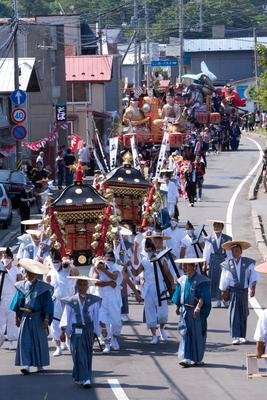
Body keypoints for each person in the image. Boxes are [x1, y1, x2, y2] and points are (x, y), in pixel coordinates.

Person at [10, 258, 53, 375]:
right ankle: (26, 365)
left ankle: (40, 365)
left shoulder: (44, 288)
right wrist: (17, 317)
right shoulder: (21, 286)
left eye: (31, 273)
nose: (29, 275)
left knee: (39, 340)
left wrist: (46, 319)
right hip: (25, 316)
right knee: (25, 340)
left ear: (36, 274)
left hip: (38, 317)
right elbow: (17, 303)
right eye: (27, 272)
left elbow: (48, 304)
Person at [60, 276, 101, 388]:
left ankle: (83, 376)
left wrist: (99, 331)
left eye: (84, 285)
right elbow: (66, 317)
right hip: (75, 331)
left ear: (87, 286)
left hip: (88, 331)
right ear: (76, 286)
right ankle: (85, 378)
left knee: (87, 354)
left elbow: (97, 317)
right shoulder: (71, 301)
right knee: (78, 354)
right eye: (80, 284)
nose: (82, 287)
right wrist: (63, 332)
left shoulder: (94, 300)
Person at [131, 238, 172, 344]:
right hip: (148, 289)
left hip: (160, 287)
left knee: (163, 312)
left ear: (154, 249)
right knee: (150, 312)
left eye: (150, 250)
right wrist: (128, 266)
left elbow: (167, 273)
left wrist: (173, 285)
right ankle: (154, 335)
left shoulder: (161, 259)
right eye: (147, 250)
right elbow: (136, 273)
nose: (149, 252)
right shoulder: (144, 261)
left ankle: (162, 329)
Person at [172, 258, 211, 367]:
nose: (186, 269)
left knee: (197, 335)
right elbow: (178, 295)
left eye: (188, 266)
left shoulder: (201, 281)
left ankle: (197, 358)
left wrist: (198, 308)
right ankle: (187, 357)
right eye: (184, 267)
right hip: (185, 311)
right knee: (185, 333)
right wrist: (177, 306)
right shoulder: (181, 280)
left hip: (196, 312)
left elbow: (203, 297)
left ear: (194, 267)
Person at [219, 241, 259, 345]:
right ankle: (235, 336)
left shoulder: (248, 262)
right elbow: (224, 280)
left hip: (244, 292)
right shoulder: (227, 264)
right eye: (233, 251)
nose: (235, 253)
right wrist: (223, 291)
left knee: (243, 313)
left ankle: (242, 336)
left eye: (237, 251)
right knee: (234, 314)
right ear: (231, 252)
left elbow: (253, 276)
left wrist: (252, 288)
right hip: (233, 292)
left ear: (241, 252)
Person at [46, 249, 76, 356]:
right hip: (56, 300)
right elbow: (48, 283)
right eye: (53, 262)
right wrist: (48, 278)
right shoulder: (51, 271)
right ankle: (58, 346)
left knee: (69, 323)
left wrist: (69, 264)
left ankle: (68, 342)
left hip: (68, 300)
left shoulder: (68, 269)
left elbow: (76, 273)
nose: (55, 264)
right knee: (55, 324)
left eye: (57, 261)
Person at [93, 251, 123, 353]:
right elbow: (96, 282)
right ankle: (107, 343)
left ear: (114, 260)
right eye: (107, 259)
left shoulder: (116, 268)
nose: (108, 261)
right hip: (101, 298)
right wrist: (108, 283)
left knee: (116, 322)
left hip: (113, 298)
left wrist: (105, 270)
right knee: (102, 321)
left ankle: (114, 338)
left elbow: (114, 277)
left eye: (111, 259)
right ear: (104, 258)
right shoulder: (97, 267)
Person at [202, 220, 232, 307]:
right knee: (214, 280)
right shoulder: (209, 238)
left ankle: (225, 299)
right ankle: (216, 300)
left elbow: (229, 253)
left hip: (223, 260)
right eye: (215, 225)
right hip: (213, 261)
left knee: (224, 280)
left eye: (219, 226)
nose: (217, 227)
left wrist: (230, 263)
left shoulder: (227, 238)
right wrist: (205, 263)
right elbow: (206, 252)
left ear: (222, 227)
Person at [0, 248, 22, 350]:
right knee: (1, 320)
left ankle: (11, 341)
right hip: (1, 298)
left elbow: (20, 283)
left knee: (11, 321)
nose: (6, 259)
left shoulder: (16, 270)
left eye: (8, 257)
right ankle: (0, 339)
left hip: (12, 297)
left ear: (12, 259)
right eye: (5, 257)